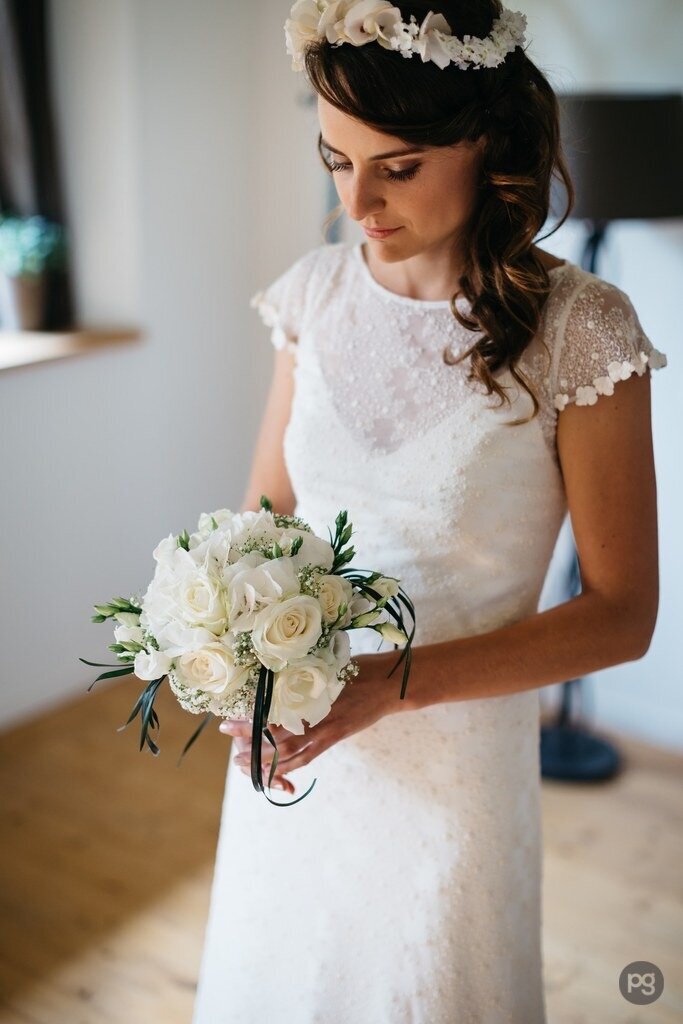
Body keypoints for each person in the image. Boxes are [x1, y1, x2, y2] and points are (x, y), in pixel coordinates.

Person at [192, 2, 668, 1021]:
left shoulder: (579, 328)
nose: (357, 200)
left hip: (452, 769)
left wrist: (387, 688)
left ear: (489, 145)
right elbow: (266, 512)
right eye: (334, 160)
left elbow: (622, 612)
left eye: (396, 166)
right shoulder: (311, 297)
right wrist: (240, 667)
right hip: (301, 748)